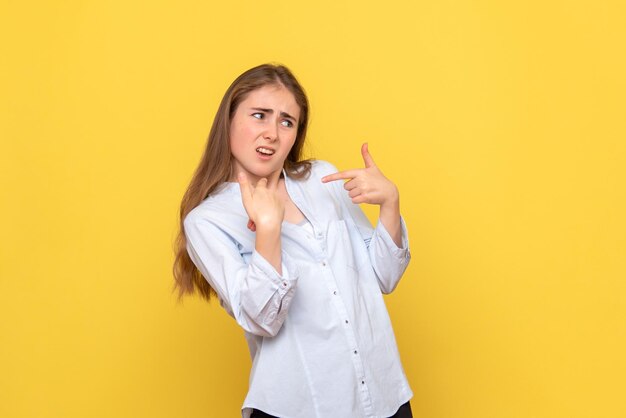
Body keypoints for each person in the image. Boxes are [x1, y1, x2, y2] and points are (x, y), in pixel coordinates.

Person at [173, 63, 413, 418]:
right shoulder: (207, 221)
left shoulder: (322, 179)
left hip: (382, 395)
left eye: (287, 121)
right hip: (299, 406)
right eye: (259, 115)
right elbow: (262, 319)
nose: (272, 132)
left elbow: (383, 277)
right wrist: (268, 231)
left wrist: (390, 204)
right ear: (228, 120)